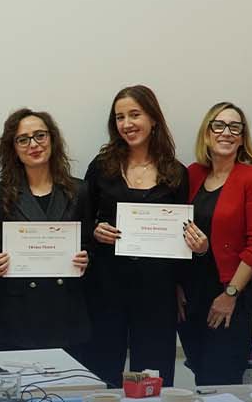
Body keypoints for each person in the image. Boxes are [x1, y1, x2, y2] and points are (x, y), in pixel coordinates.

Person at [80, 85, 193, 385]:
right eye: (120, 117)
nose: (127, 124)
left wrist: (179, 285)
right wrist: (95, 230)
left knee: (152, 376)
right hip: (106, 286)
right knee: (102, 371)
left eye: (134, 115)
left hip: (157, 289)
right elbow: (81, 222)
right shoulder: (101, 167)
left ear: (153, 119)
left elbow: (182, 235)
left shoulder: (176, 172)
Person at [0, 109, 93, 352]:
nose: (33, 144)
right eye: (23, 139)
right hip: (18, 315)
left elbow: (90, 247)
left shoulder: (79, 191)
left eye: (40, 135)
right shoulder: (0, 193)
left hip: (66, 313)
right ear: (13, 148)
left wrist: (87, 259)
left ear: (52, 139)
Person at [180, 102, 252, 386]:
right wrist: (177, 287)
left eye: (235, 127)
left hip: (232, 294)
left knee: (222, 380)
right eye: (218, 125)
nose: (226, 132)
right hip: (191, 296)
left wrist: (230, 294)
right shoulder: (192, 174)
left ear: (242, 137)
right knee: (200, 374)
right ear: (207, 133)